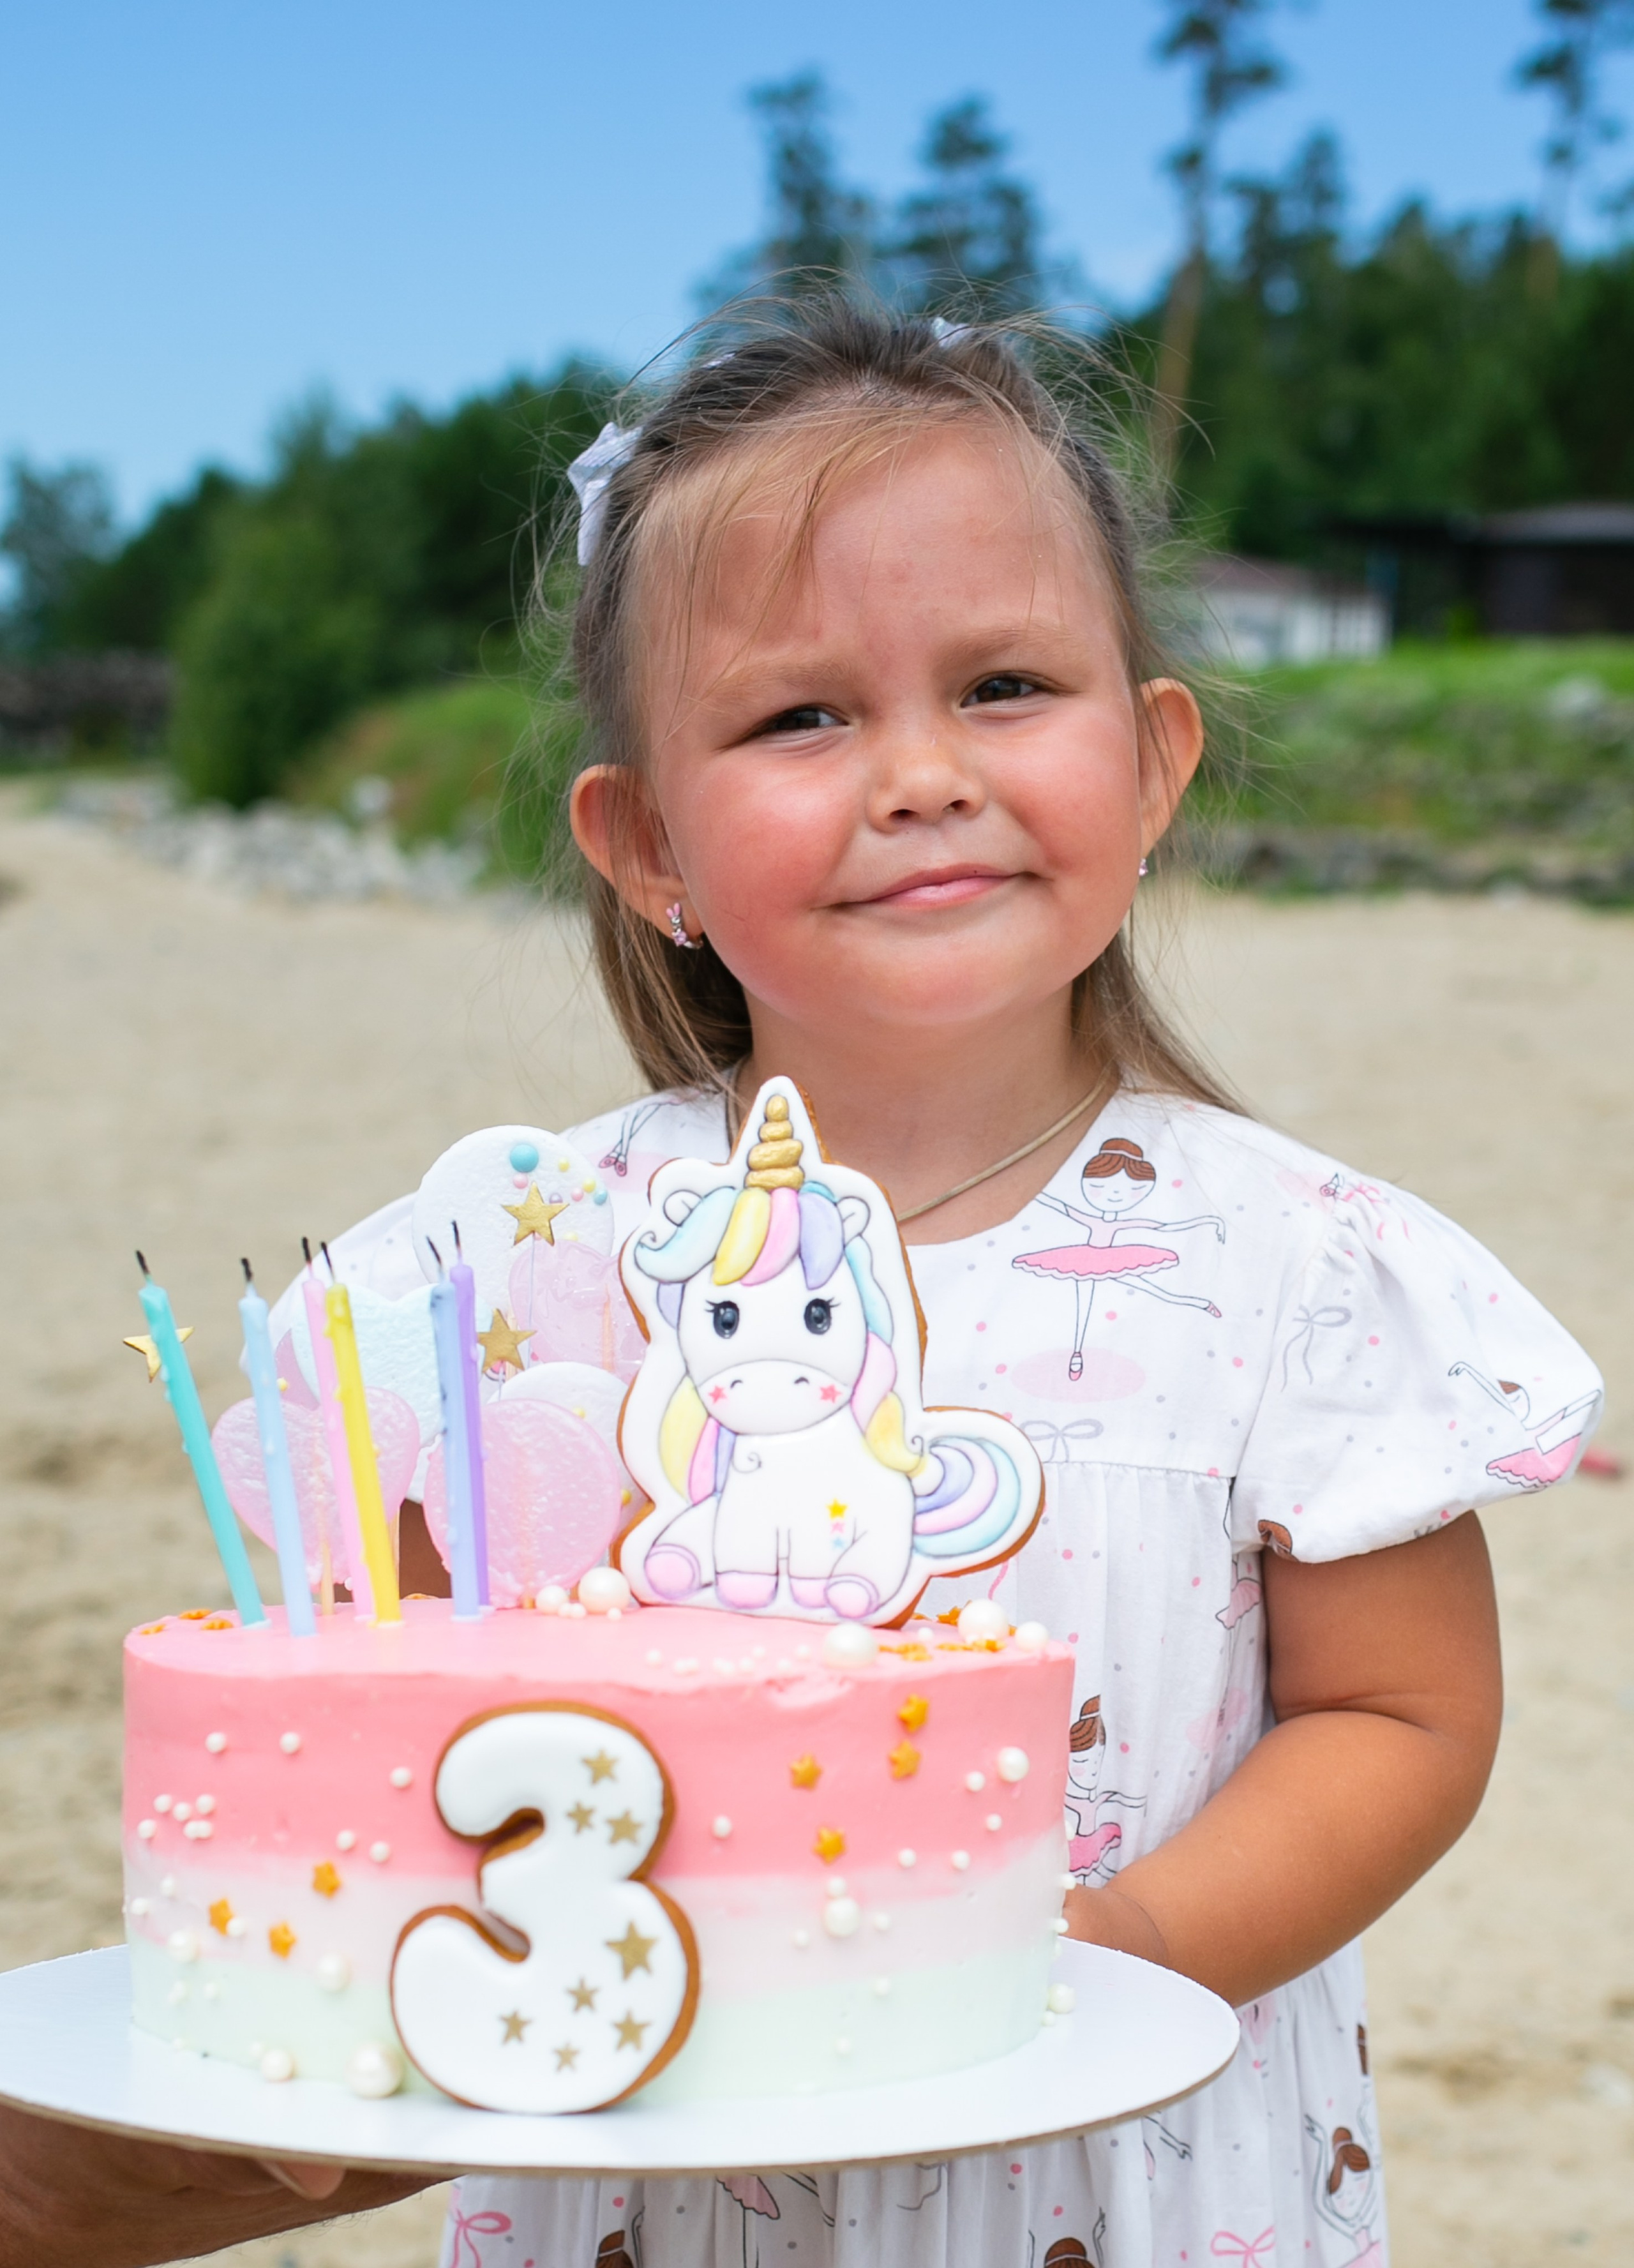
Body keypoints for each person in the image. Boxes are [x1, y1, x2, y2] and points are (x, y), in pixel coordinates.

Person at [1, 303, 1598, 2267]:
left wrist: (1127, 1944)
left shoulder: (1301, 1260)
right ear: (647, 842)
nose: (921, 771)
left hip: (1128, 2170)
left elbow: (1404, 1711)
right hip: (651, 2172)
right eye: (802, 716)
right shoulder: (525, 1269)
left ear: (1160, 754)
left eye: (1006, 682)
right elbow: (376, 1661)